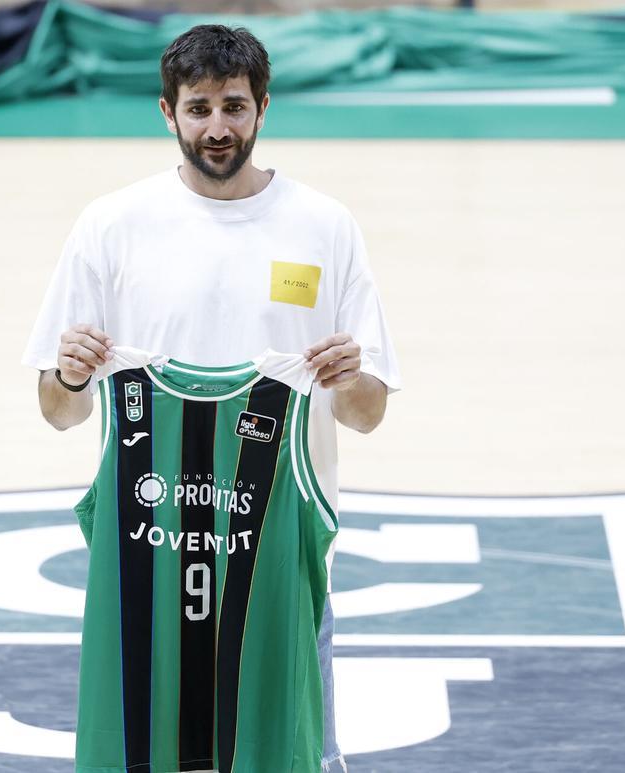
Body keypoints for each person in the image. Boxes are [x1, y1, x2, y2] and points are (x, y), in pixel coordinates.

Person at [21, 24, 400, 773]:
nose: (217, 127)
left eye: (234, 106)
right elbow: (58, 411)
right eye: (199, 108)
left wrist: (349, 377)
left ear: (263, 107)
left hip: (278, 568)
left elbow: (368, 412)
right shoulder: (112, 227)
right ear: (168, 113)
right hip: (154, 562)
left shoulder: (324, 227)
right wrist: (66, 377)